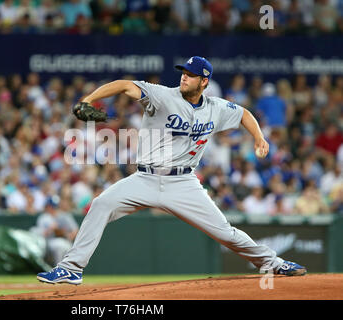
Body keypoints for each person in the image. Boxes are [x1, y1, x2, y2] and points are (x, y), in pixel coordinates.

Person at [37, 56, 307, 285]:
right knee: (101, 204)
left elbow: (245, 114)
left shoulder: (215, 108)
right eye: (184, 73)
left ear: (204, 82)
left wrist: (259, 138)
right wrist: (90, 98)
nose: (184, 78)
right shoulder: (162, 95)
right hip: (145, 178)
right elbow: (123, 85)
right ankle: (72, 269)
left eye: (191, 75)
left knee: (225, 233)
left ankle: (273, 263)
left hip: (183, 183)